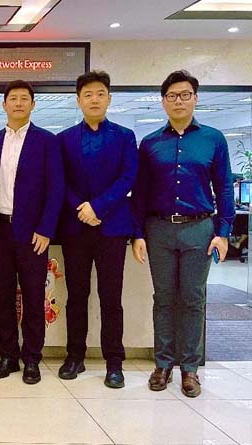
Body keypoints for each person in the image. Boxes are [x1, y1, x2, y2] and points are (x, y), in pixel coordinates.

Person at [131, 70, 234, 398]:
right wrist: (137, 233)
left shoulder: (213, 139)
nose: (179, 101)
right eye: (172, 95)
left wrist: (224, 232)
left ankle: (189, 368)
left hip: (199, 229)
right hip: (159, 228)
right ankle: (162, 364)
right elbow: (140, 192)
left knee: (193, 299)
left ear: (195, 98)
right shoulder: (150, 143)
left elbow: (224, 187)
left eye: (185, 94)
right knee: (163, 298)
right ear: (163, 101)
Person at [0, 80, 64, 385]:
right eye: (12, 99)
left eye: (24, 99)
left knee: (33, 295)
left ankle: (32, 359)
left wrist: (46, 228)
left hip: (32, 233)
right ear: (4, 104)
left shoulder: (47, 141)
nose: (18, 103)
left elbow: (56, 188)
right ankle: (8, 356)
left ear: (32, 105)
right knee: (1, 296)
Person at [57, 70, 138, 388]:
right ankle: (74, 356)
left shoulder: (124, 136)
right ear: (78, 100)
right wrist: (82, 208)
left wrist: (98, 207)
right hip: (75, 228)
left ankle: (114, 363)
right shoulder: (64, 139)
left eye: (100, 94)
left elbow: (128, 177)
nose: (94, 99)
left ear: (109, 99)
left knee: (111, 298)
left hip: (112, 228)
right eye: (88, 94)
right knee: (76, 296)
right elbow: (60, 181)